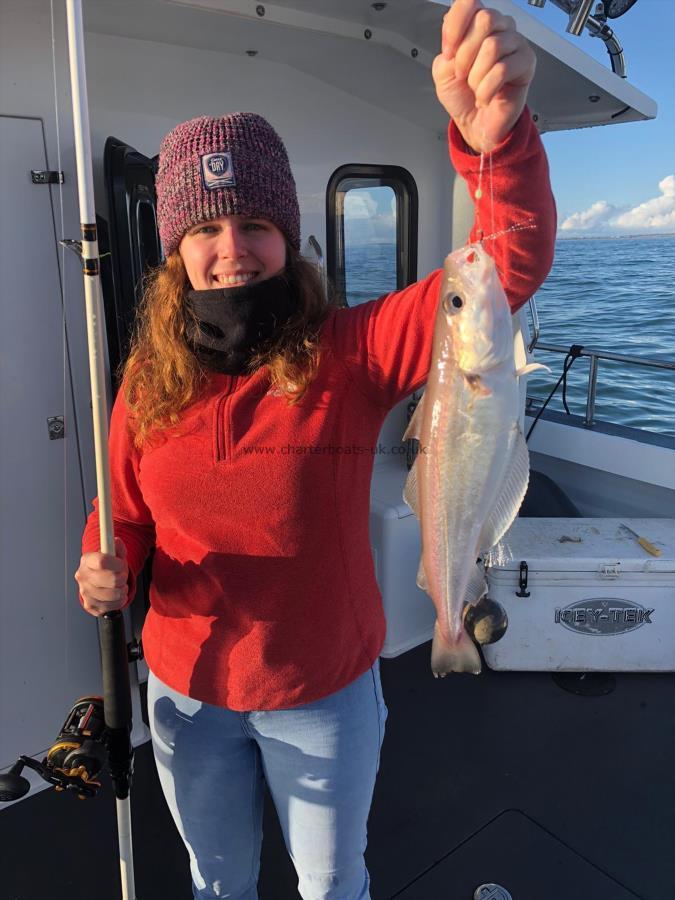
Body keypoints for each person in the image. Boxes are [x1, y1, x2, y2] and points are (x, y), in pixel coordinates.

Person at [75, 1, 556, 897]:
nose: (233, 252)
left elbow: (502, 268)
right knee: (216, 882)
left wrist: (500, 142)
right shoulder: (146, 376)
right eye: (207, 231)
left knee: (331, 886)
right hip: (186, 695)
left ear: (286, 237)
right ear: (175, 249)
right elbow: (124, 510)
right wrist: (102, 563)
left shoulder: (351, 349)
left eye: (254, 225)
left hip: (324, 693)